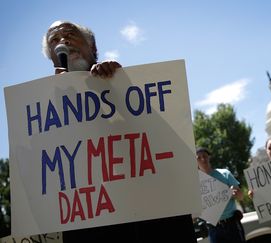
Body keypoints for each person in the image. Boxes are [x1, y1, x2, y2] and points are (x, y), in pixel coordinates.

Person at [42, 20, 196, 243]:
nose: (62, 41)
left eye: (69, 34)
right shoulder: (44, 110)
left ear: (92, 47)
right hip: (94, 229)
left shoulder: (126, 84)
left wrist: (120, 87)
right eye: (54, 40)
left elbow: (162, 140)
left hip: (155, 221)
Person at [196, 147, 246, 243]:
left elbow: (241, 197)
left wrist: (235, 193)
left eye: (205, 156)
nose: (203, 159)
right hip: (213, 228)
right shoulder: (195, 183)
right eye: (199, 158)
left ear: (209, 157)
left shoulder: (225, 174)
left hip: (232, 225)